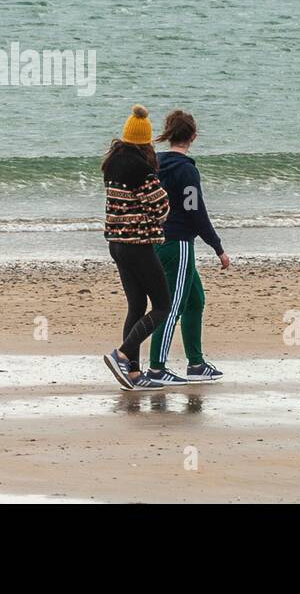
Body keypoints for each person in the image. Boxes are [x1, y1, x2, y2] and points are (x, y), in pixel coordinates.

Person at [145, 109, 229, 384]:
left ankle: (196, 364)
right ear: (193, 136)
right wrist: (217, 247)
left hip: (157, 241)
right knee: (172, 306)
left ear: (169, 133)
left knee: (195, 300)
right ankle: (156, 369)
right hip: (178, 243)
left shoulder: (155, 164)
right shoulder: (187, 170)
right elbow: (196, 212)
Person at [101, 105, 172, 390]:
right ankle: (121, 354)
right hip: (137, 245)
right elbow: (160, 207)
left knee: (137, 305)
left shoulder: (111, 163)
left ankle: (132, 373)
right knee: (163, 305)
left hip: (116, 244)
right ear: (146, 140)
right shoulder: (142, 169)